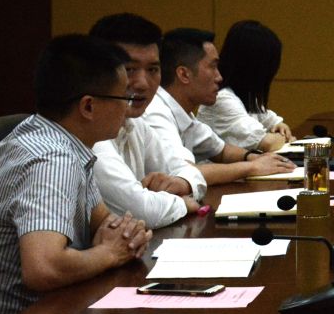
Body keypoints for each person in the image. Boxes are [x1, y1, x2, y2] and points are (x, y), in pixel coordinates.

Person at [0, 35, 153, 314]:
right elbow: (44, 268)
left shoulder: (59, 139)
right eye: (122, 97)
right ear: (88, 106)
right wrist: (110, 253)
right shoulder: (51, 158)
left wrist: (125, 234)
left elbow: (103, 222)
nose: (128, 107)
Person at [88, 14, 204, 229]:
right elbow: (140, 211)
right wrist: (183, 203)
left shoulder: (134, 124)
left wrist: (181, 183)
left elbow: (191, 172)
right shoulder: (88, 131)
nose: (142, 84)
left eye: (152, 70)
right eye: (129, 70)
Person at [143, 28, 294, 185]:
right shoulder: (156, 113)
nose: (219, 77)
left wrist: (256, 158)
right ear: (184, 75)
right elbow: (186, 173)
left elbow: (222, 151)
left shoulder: (183, 113)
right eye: (212, 67)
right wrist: (252, 167)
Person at [197, 20, 294, 152]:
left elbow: (275, 123)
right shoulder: (222, 99)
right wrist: (281, 137)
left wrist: (280, 128)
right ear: (256, 66)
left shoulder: (245, 96)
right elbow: (267, 143)